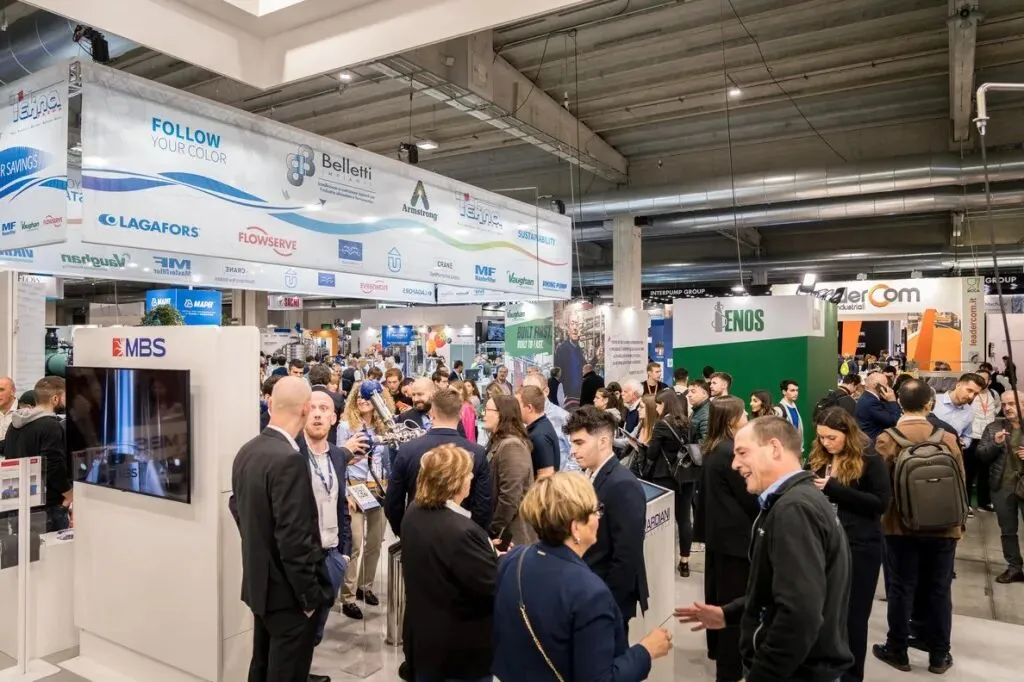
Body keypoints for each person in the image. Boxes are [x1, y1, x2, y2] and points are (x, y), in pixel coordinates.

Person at [676, 417, 854, 682]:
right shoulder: (793, 502)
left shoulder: (794, 510)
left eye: (742, 453)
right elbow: (778, 592)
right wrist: (729, 613)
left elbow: (799, 615)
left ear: (774, 448)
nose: (735, 464)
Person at [492, 473, 671, 682]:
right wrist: (646, 651)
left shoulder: (512, 559)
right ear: (575, 527)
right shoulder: (590, 593)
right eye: (595, 511)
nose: (598, 518)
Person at [229, 377, 331, 682]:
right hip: (289, 595)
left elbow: (238, 508)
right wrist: (309, 598)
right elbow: (294, 539)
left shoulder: (247, 450)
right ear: (305, 409)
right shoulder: (289, 460)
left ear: (271, 404)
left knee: (261, 665)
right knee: (286, 672)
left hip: (261, 587)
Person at [872, 379, 965, 675]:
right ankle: (939, 654)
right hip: (944, 528)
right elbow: (961, 483)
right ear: (929, 404)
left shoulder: (887, 439)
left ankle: (897, 649)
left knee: (901, 588)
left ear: (899, 402)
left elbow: (880, 489)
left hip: (900, 528)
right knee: (939, 589)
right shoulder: (946, 437)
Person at [401, 444, 497, 682]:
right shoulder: (461, 531)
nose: (471, 477)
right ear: (454, 481)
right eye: (467, 473)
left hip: (423, 642)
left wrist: (483, 550)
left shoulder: (412, 512)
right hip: (459, 653)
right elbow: (491, 586)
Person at [809, 408, 891, 682]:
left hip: (859, 548)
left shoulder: (870, 459)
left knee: (853, 618)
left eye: (831, 438)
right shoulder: (820, 456)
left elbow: (880, 503)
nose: (826, 443)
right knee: (823, 614)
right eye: (821, 437)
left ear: (847, 433)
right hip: (823, 545)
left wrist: (834, 490)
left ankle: (851, 676)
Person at [563, 407, 648, 629]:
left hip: (607, 598)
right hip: (588, 588)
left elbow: (626, 556)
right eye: (572, 443)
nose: (573, 451)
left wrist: (606, 604)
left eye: (579, 443)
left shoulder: (623, 485)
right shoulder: (591, 474)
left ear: (603, 441)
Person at [693, 396, 757, 682]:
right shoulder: (730, 453)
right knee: (732, 605)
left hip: (719, 537)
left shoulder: (713, 448)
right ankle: (730, 666)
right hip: (735, 541)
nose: (747, 417)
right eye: (743, 414)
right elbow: (749, 496)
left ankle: (718, 651)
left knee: (718, 596)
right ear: (732, 420)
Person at [385, 387, 492, 535]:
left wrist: (403, 531)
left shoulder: (407, 450)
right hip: (461, 535)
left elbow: (393, 501)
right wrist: (473, 536)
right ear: (460, 414)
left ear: (431, 413)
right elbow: (483, 504)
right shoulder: (477, 453)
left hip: (418, 532)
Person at [297, 390, 357, 649]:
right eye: (312, 408)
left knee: (317, 631)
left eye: (324, 409)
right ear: (303, 413)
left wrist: (344, 553)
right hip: (303, 560)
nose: (318, 414)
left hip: (332, 557)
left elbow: (340, 501)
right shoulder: (292, 453)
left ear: (334, 418)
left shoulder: (337, 455)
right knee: (297, 634)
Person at [335, 383, 391, 620]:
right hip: (355, 488)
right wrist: (346, 492)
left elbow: (388, 459)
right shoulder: (346, 426)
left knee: (375, 542)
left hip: (379, 488)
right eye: (359, 396)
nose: (362, 400)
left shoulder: (385, 426)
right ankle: (347, 596)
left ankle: (365, 586)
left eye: (368, 397)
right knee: (355, 543)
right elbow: (339, 460)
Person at [4, 377, 70, 531]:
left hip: (18, 502)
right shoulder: (51, 426)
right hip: (47, 506)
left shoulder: (15, 424)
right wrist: (69, 493)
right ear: (55, 399)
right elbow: (53, 465)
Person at [976, 390, 1024, 584]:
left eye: (1012, 403)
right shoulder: (994, 427)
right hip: (1002, 487)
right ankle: (1014, 568)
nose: (1007, 408)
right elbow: (981, 455)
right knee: (1008, 530)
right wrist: (995, 444)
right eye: (1004, 404)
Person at [648, 390, 696, 578]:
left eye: (658, 404)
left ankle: (664, 560)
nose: (656, 408)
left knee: (664, 520)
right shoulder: (688, 423)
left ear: (665, 404)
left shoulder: (662, 425)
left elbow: (652, 453)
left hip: (665, 477)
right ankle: (684, 562)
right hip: (687, 476)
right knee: (684, 520)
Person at [483, 394, 536, 548]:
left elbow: (510, 496)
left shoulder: (512, 446)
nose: (483, 414)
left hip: (511, 536)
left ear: (502, 414)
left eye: (488, 409)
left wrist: (494, 529)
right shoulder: (499, 442)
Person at [966, 369, 1000, 514]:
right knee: (969, 472)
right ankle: (966, 504)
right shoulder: (971, 395)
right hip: (972, 437)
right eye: (977, 377)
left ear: (989, 381)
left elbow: (996, 409)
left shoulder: (993, 394)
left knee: (986, 473)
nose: (980, 380)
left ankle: (984, 502)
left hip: (988, 439)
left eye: (983, 378)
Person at [932, 373, 987, 452]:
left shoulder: (970, 412)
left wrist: (963, 443)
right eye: (969, 390)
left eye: (975, 394)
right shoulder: (934, 401)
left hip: (951, 455)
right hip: (927, 451)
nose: (971, 396)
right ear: (958, 385)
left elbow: (967, 436)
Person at [518, 385, 560, 479]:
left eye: (517, 405)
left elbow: (545, 477)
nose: (515, 409)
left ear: (529, 407)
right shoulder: (542, 426)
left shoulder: (539, 436)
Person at [856, 371, 902, 443]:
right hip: (873, 443)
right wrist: (892, 401)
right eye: (886, 384)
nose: (888, 387)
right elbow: (893, 421)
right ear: (876, 386)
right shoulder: (871, 402)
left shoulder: (868, 397)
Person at [309, 364, 344, 443]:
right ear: (329, 378)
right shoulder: (337, 398)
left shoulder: (303, 397)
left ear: (310, 378)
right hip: (330, 440)